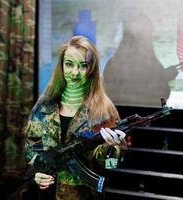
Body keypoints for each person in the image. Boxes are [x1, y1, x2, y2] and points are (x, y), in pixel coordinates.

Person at [24, 36, 126, 200]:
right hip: (44, 195)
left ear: (91, 70)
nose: (75, 72)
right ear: (61, 67)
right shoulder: (44, 107)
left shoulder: (103, 111)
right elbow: (31, 150)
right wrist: (36, 172)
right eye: (69, 64)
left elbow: (112, 165)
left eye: (83, 66)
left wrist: (110, 149)